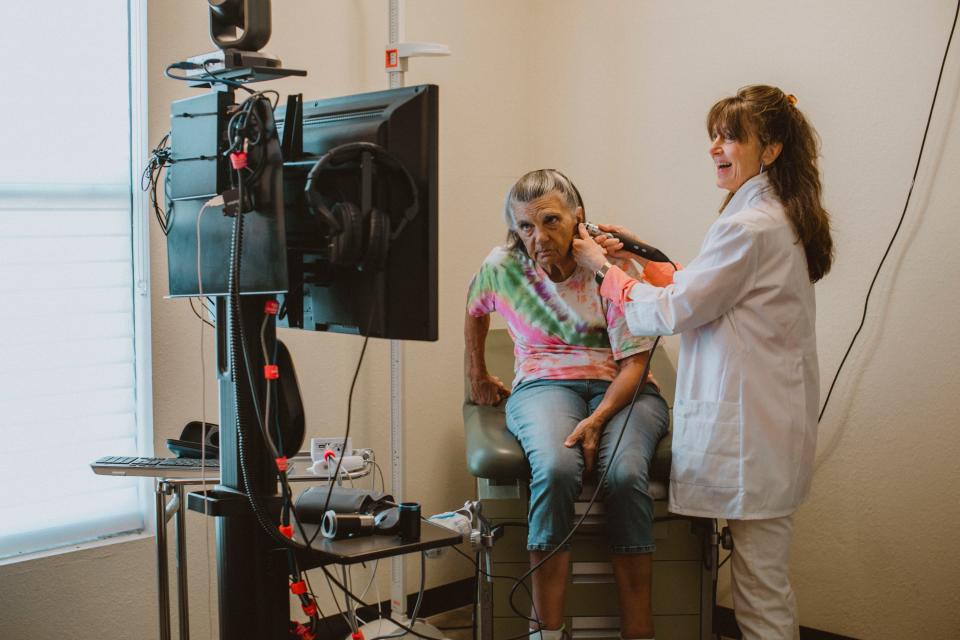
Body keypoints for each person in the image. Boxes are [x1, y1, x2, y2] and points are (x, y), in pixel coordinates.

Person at [572, 85, 834, 640]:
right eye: (713, 135)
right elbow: (703, 287)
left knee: (760, 593)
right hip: (767, 423)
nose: (717, 146)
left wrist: (603, 270)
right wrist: (641, 254)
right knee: (761, 585)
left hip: (755, 433)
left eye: (732, 136)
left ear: (771, 150)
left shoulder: (749, 225)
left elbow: (676, 309)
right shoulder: (768, 214)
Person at [464, 169, 670, 640]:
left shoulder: (608, 269)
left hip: (624, 386)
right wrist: (476, 373)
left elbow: (635, 365)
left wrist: (597, 419)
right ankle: (546, 633)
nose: (539, 237)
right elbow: (475, 309)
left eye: (551, 221)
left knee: (623, 475)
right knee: (556, 468)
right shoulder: (503, 266)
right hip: (543, 384)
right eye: (525, 227)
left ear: (578, 218)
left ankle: (639, 633)